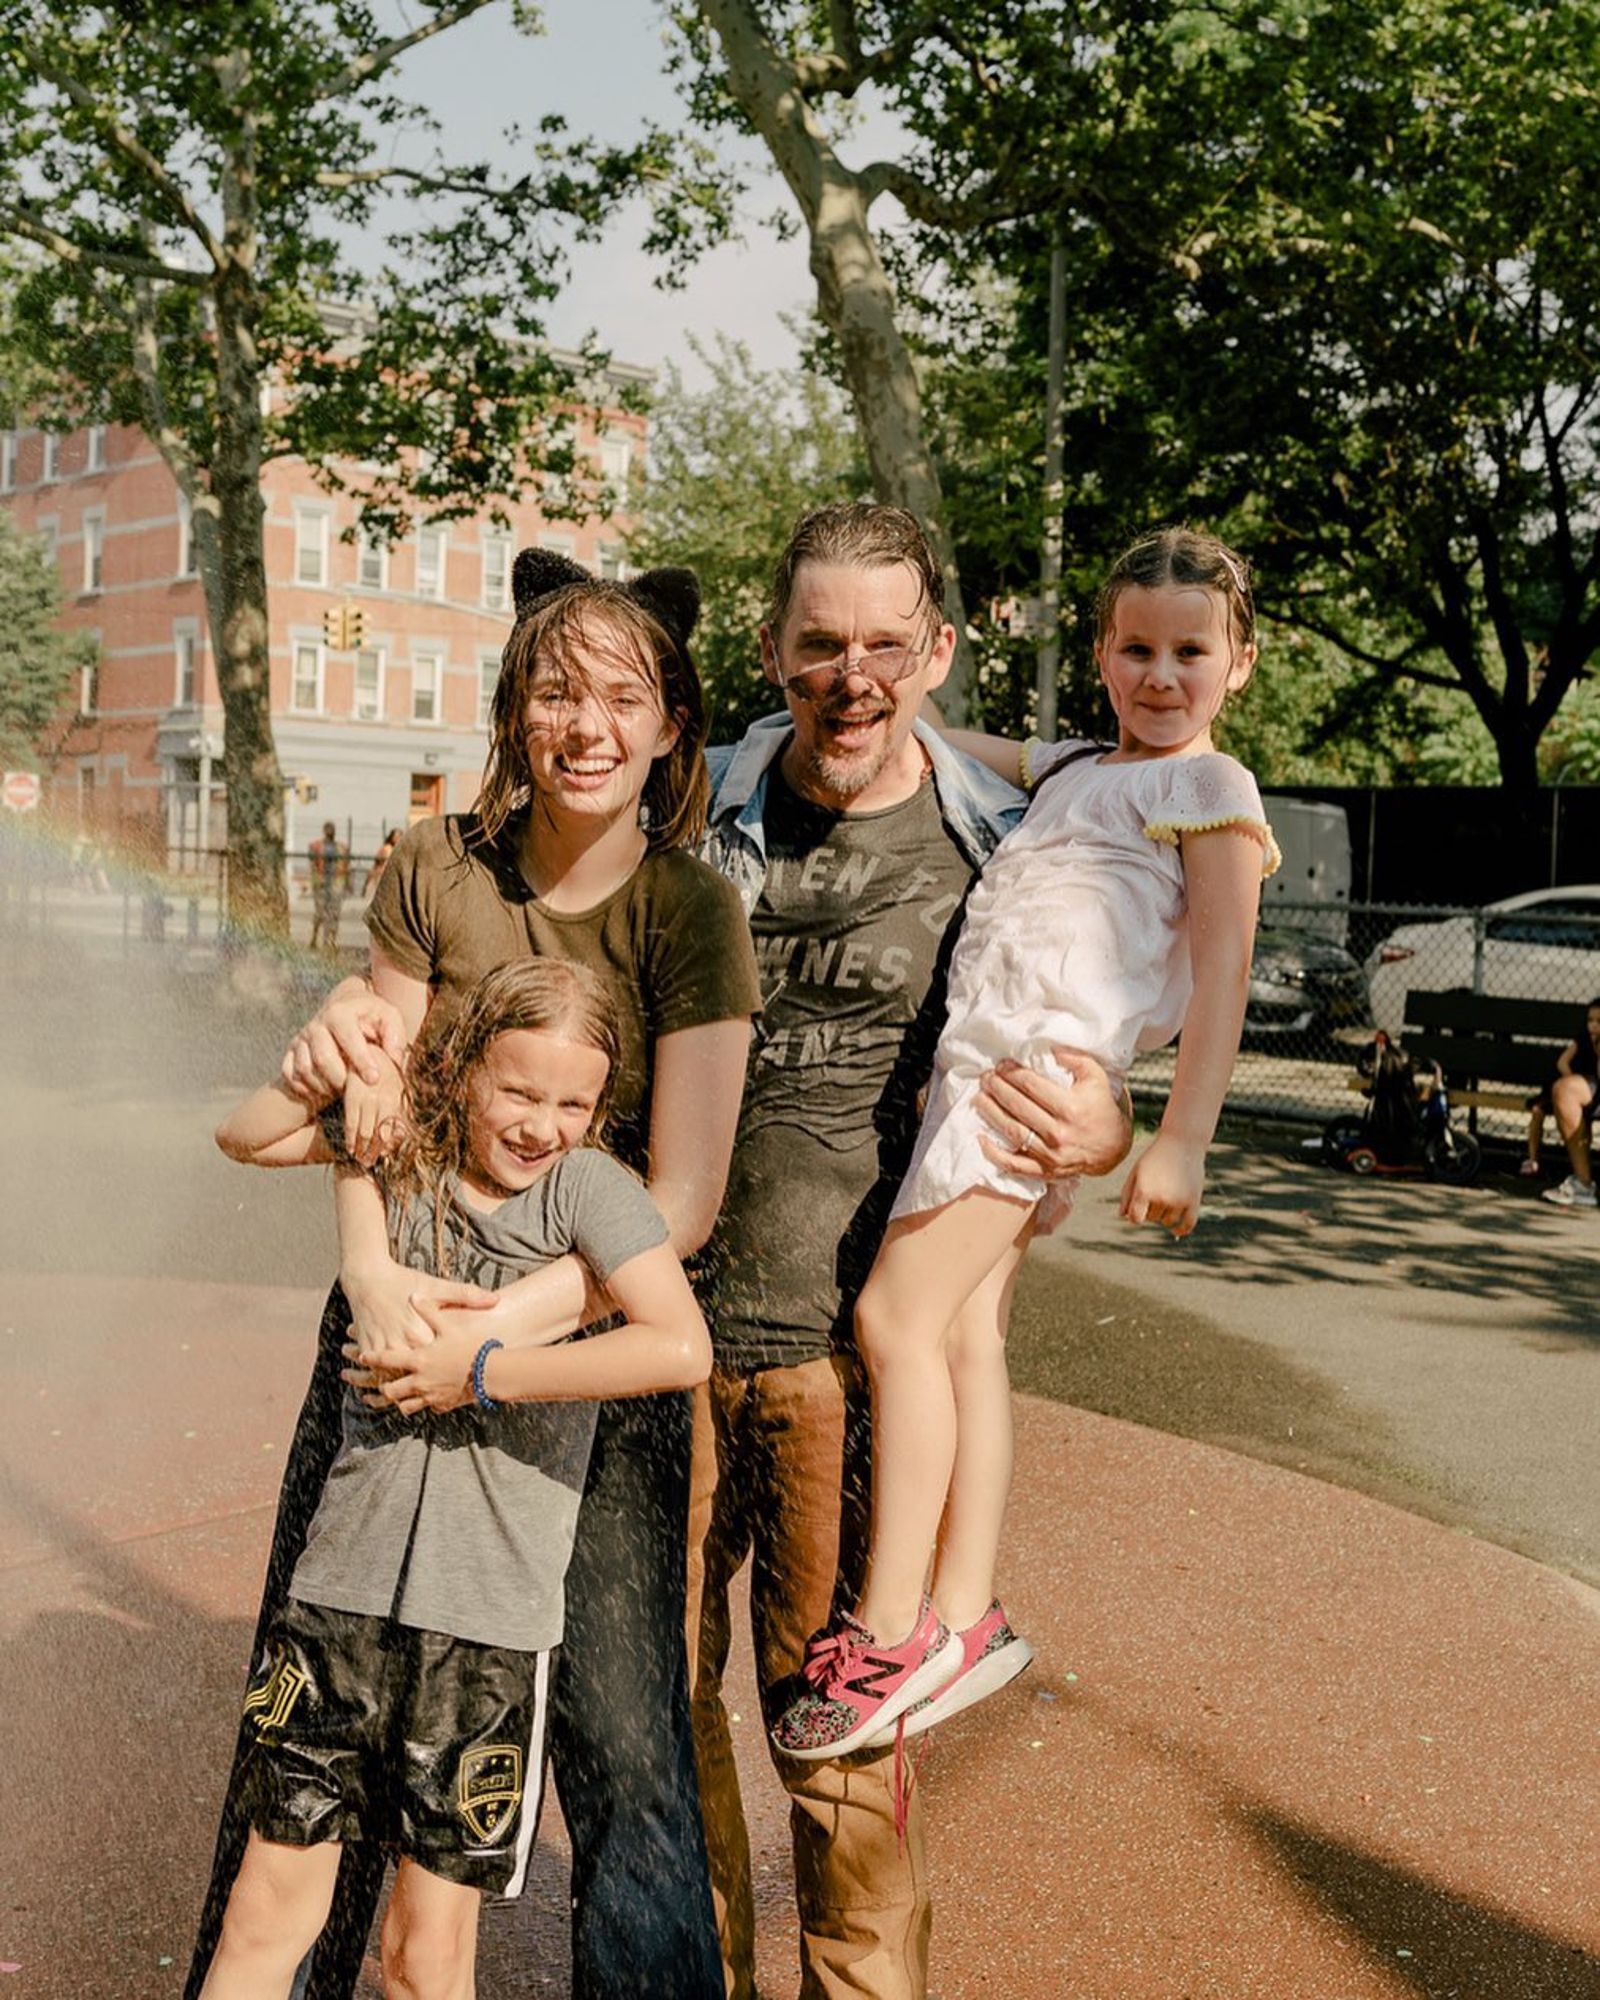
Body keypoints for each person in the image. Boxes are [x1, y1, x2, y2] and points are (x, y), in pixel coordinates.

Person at [186, 551, 760, 2000]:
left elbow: (685, 1196)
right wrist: (369, 1255)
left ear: (672, 724)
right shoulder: (437, 865)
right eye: (555, 692)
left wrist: (503, 1336)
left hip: (580, 1346)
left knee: (622, 1735)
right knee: (315, 1702)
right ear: (513, 710)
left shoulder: (689, 909)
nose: (586, 726)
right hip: (400, 1319)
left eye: (622, 697)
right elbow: (370, 1102)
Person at [687, 501, 1134, 1999]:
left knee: (843, 1765)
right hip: (656, 1341)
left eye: (886, 643)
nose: (853, 676)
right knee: (651, 1733)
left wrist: (1114, 1125)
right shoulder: (689, 801)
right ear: (773, 649)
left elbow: (1106, 1009)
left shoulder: (1017, 837)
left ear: (937, 651)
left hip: (845, 1369)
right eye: (821, 643)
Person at [771, 527, 1279, 1761]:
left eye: (1191, 652)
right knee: (964, 1339)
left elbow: (1223, 972)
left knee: (893, 1320)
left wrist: (1181, 1138)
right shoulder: (1075, 765)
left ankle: (892, 1627)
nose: (1161, 676)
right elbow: (940, 735)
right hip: (976, 1067)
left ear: (1239, 663)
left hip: (1033, 1080)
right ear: (1100, 653)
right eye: (1136, 648)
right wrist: (867, 678)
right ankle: (963, 1613)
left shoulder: (1210, 790)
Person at [203, 959, 711, 2000]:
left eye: (573, 1104)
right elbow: (243, 1136)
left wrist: (481, 1372)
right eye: (518, 1091)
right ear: (467, 1066)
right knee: (262, 1913)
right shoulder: (404, 1148)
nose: (542, 1125)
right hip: (337, 1602)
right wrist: (338, 1062)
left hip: (484, 1630)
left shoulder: (589, 1191)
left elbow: (679, 1346)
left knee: (423, 1955)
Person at [1535, 996, 1600, 1208]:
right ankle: (1583, 1184)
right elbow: (1563, 1062)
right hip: (1593, 1087)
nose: (1594, 1026)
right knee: (1564, 1089)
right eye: (1591, 1020)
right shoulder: (1585, 1040)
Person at [308, 822, 349, 953]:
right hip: (321, 882)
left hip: (336, 882)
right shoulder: (316, 846)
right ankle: (314, 937)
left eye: (332, 829)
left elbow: (346, 865)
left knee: (334, 913)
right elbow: (313, 864)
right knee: (320, 912)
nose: (330, 831)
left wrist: (346, 882)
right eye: (328, 829)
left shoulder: (342, 847)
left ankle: (331, 940)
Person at [362, 827, 400, 899]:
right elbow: (378, 862)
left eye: (399, 837)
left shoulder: (399, 850)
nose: (398, 839)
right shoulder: (387, 848)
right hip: (381, 877)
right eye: (396, 836)